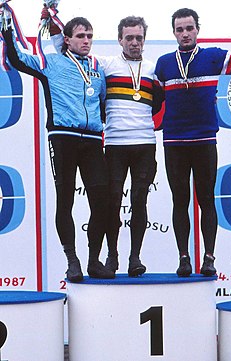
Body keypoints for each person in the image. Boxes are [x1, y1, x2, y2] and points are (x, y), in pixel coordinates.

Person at [42, 13, 163, 277]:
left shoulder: (154, 69)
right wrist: (50, 18)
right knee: (110, 203)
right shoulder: (104, 64)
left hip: (145, 143)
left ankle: (135, 258)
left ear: (145, 40)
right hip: (116, 144)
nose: (134, 43)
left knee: (140, 201)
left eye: (139, 38)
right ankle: (112, 257)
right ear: (119, 39)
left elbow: (161, 103)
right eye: (129, 38)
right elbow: (67, 56)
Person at [2, 13, 115, 281]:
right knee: (65, 200)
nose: (86, 41)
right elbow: (17, 59)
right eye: (80, 36)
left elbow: (102, 103)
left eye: (89, 36)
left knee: (102, 200)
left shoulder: (97, 67)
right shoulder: (51, 62)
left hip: (91, 141)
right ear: (67, 40)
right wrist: (7, 31)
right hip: (63, 137)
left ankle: (93, 260)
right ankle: (72, 260)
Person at [155, 8, 231, 277]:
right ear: (174, 33)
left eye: (189, 28)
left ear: (197, 30)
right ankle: (183, 258)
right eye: (179, 29)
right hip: (174, 141)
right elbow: (151, 101)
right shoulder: (163, 63)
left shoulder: (213, 56)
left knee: (206, 199)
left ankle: (209, 257)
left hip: (204, 139)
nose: (184, 34)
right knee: (179, 201)